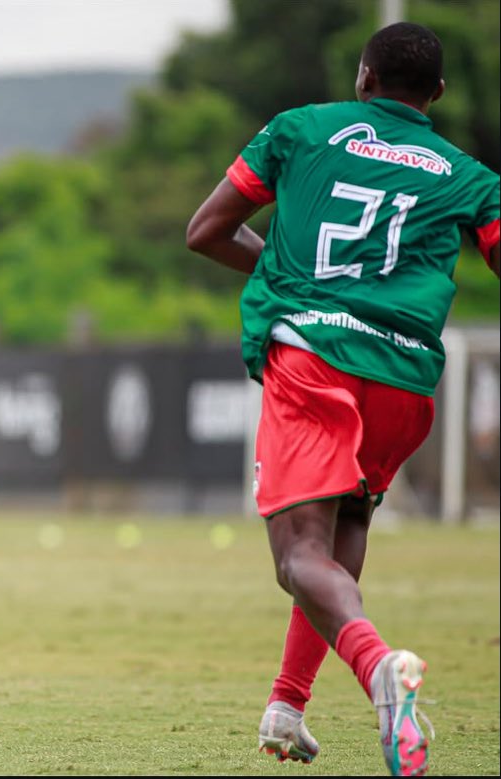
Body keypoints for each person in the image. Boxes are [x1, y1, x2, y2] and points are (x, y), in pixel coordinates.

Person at [186, 21, 498, 777]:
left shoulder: (300, 130)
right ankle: (287, 704)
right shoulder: (469, 175)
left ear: (363, 77)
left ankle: (379, 670)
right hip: (405, 377)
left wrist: (288, 282)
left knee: (297, 556)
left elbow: (206, 231)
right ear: (439, 95)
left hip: (315, 357)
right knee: (341, 530)